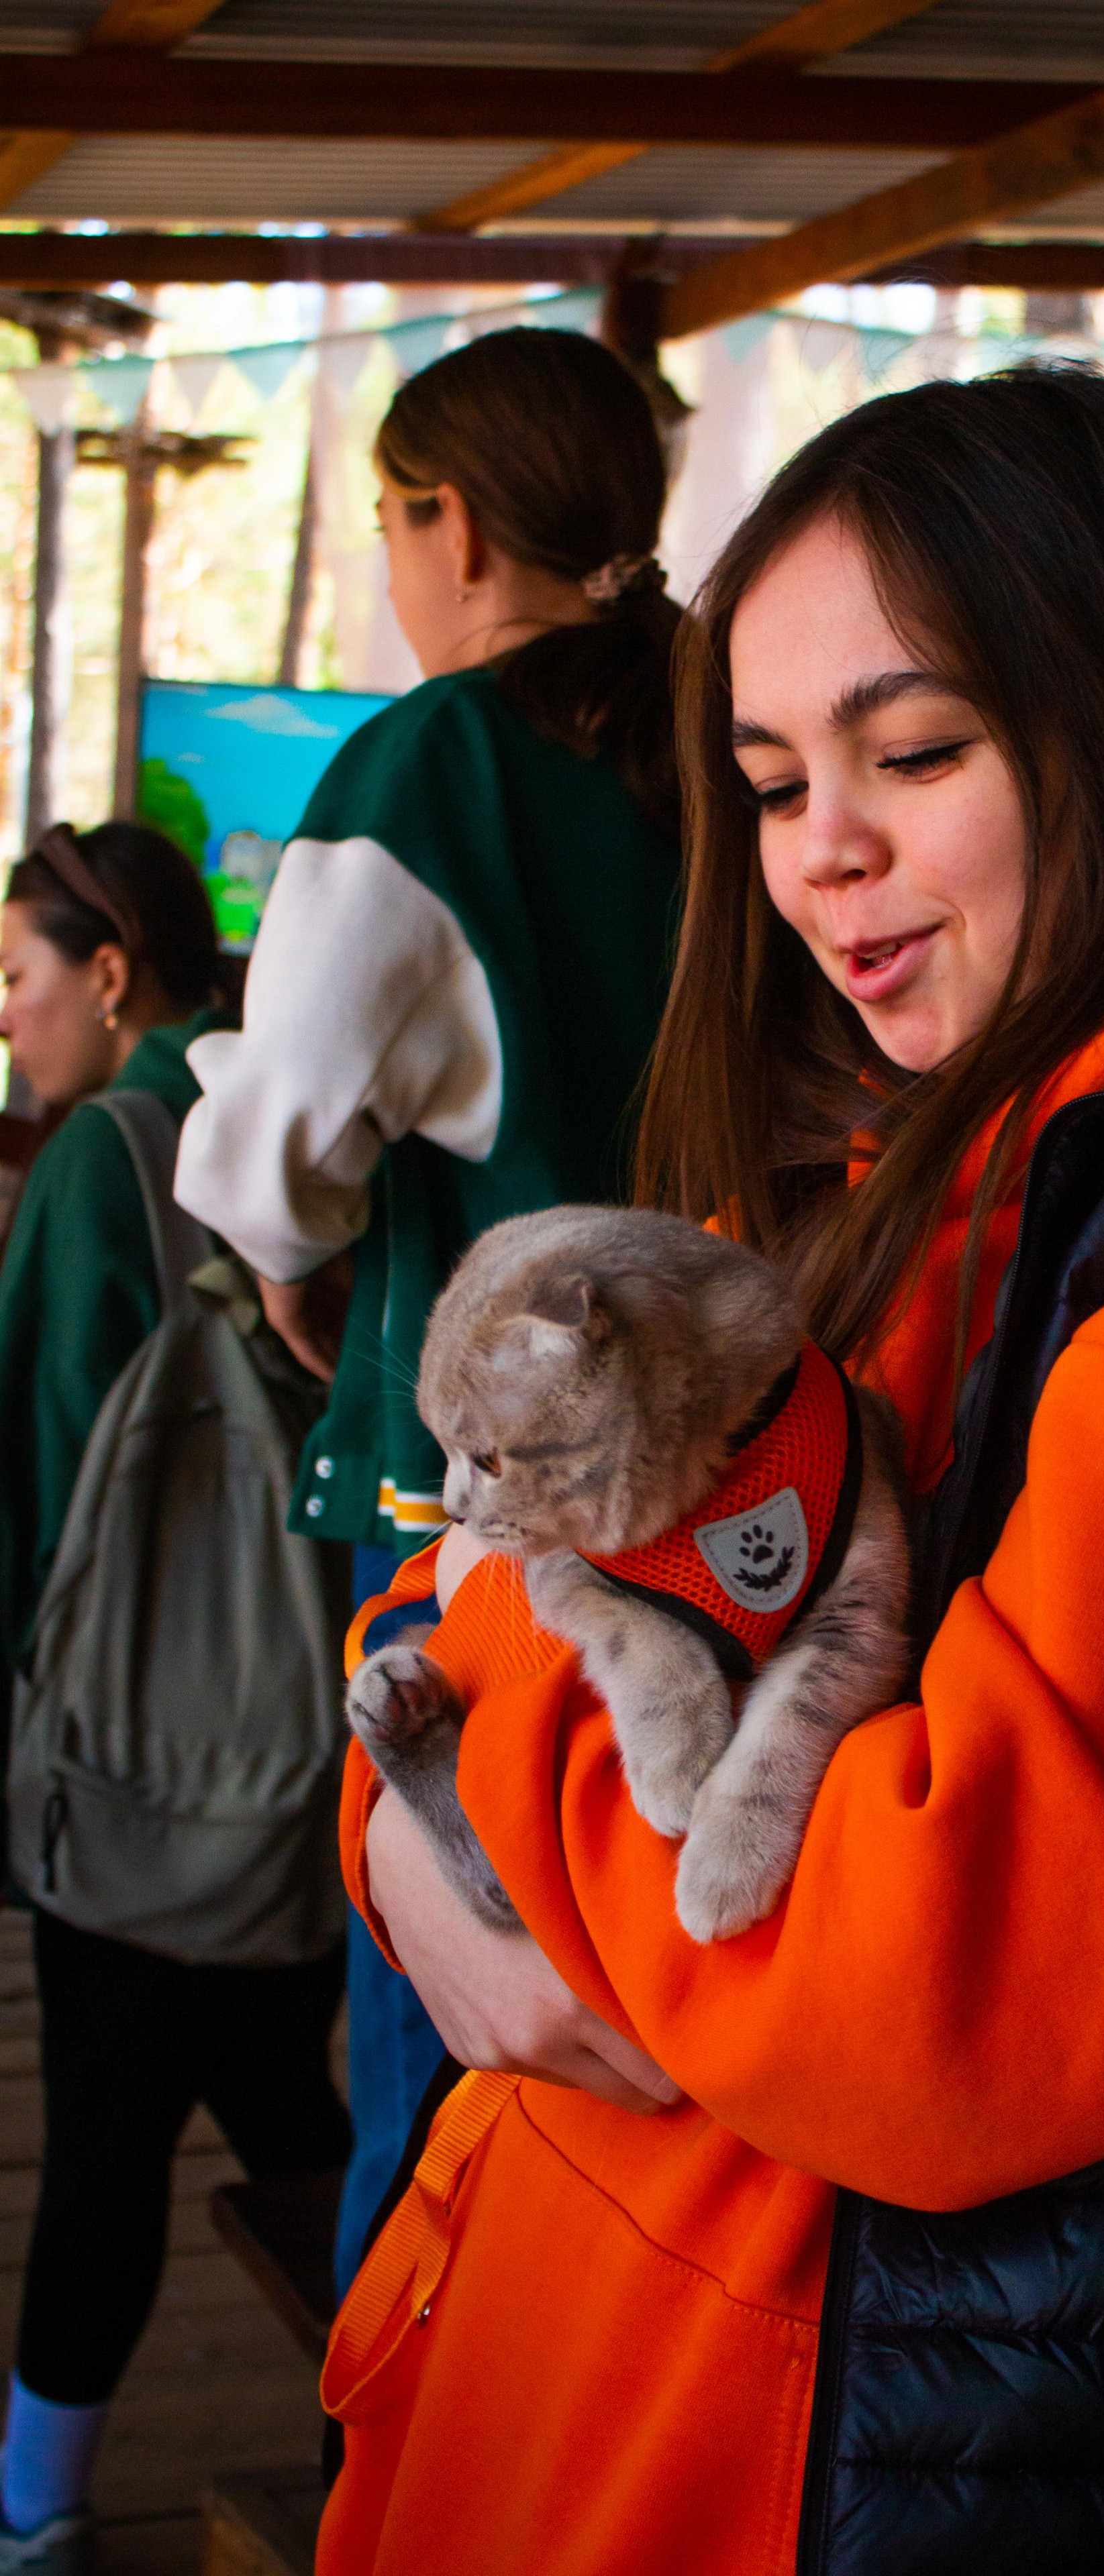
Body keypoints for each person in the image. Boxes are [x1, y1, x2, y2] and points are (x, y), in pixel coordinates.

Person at [319, 368, 1104, 2575]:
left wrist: (478, 1771)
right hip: (637, 2352)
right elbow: (476, 1574)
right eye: (777, 783)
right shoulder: (936, 1129)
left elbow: (913, 1984)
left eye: (918, 755)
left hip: (821, 2442)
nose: (821, 856)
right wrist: (414, 1820)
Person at [173, 325, 683, 2291]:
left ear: (445, 520)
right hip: (759, 1500)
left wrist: (309, 1271)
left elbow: (264, 1150)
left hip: (490, 1529)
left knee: (447, 2047)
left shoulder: (431, 764)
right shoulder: (722, 730)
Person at [0, 824, 352, 2576]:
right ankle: (385, 2469)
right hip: (295, 1754)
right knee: (311, 2143)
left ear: (111, 978)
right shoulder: (295, 1130)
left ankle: (35, 2519)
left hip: (132, 1771)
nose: (12, 1019)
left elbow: (43, 1485)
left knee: (103, 2163)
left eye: (17, 976)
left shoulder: (96, 1164)